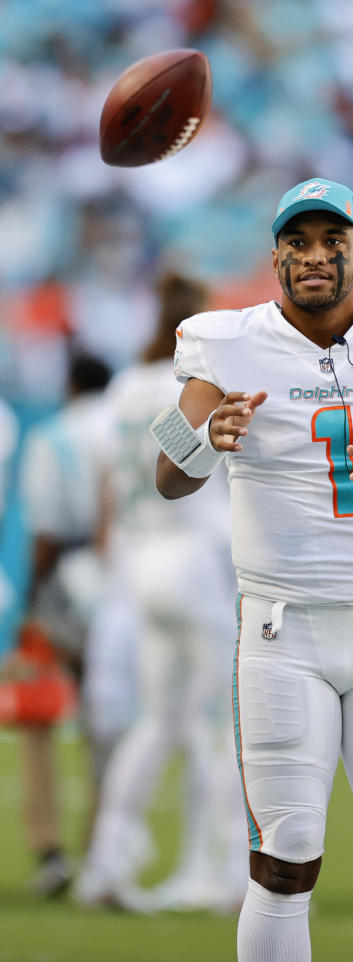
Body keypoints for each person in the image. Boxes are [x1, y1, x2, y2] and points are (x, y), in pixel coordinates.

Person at [153, 178, 353, 962]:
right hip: (282, 628)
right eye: (298, 242)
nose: (316, 255)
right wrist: (207, 436)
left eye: (335, 240)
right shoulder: (223, 341)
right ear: (274, 258)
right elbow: (166, 476)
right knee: (284, 856)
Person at [75, 272, 247, 913]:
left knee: (157, 721)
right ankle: (223, 870)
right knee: (222, 726)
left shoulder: (122, 388)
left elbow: (111, 481)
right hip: (196, 559)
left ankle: (107, 865)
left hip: (139, 561)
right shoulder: (191, 385)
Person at [13, 352, 113, 897]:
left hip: (66, 583)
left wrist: (30, 601)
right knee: (110, 722)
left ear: (71, 383)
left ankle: (51, 852)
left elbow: (45, 527)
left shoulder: (53, 435)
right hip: (123, 583)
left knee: (39, 718)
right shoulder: (128, 423)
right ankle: (103, 848)